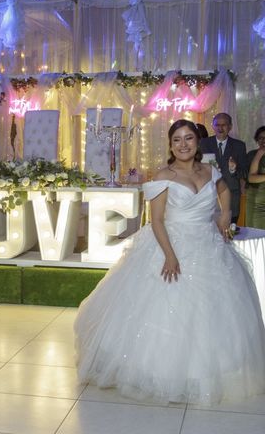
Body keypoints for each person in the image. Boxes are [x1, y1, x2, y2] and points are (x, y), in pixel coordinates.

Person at [75, 119, 265, 406]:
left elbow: (224, 189)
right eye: (177, 139)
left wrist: (226, 214)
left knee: (212, 312)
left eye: (189, 138)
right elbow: (157, 221)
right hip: (170, 245)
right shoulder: (163, 175)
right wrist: (170, 255)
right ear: (170, 144)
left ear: (197, 142)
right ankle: (162, 372)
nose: (183, 144)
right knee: (166, 308)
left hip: (209, 244)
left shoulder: (210, 171)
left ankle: (208, 371)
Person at [200, 113, 248, 224]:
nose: (220, 128)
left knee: (229, 235)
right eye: (217, 125)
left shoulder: (239, 146)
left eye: (224, 125)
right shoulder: (203, 143)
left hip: (231, 197)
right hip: (208, 197)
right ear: (212, 126)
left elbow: (245, 173)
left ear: (230, 126)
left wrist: (233, 170)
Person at [246, 125, 265, 228]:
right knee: (254, 234)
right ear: (256, 140)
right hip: (253, 200)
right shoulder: (251, 154)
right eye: (260, 138)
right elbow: (250, 178)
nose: (263, 140)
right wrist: (259, 154)